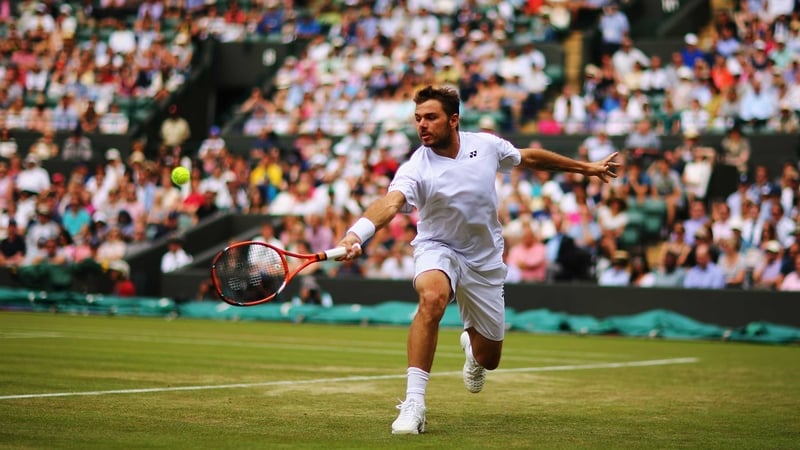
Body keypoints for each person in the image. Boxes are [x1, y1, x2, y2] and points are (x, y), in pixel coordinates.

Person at [334, 86, 619, 435]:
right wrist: (356, 234)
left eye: (431, 117)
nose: (422, 125)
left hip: (484, 261)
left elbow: (529, 158)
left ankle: (472, 349)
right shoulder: (416, 168)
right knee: (432, 298)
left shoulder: (486, 146)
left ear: (453, 120)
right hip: (438, 248)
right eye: (418, 118)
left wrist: (586, 169)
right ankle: (414, 403)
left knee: (490, 358)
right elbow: (391, 203)